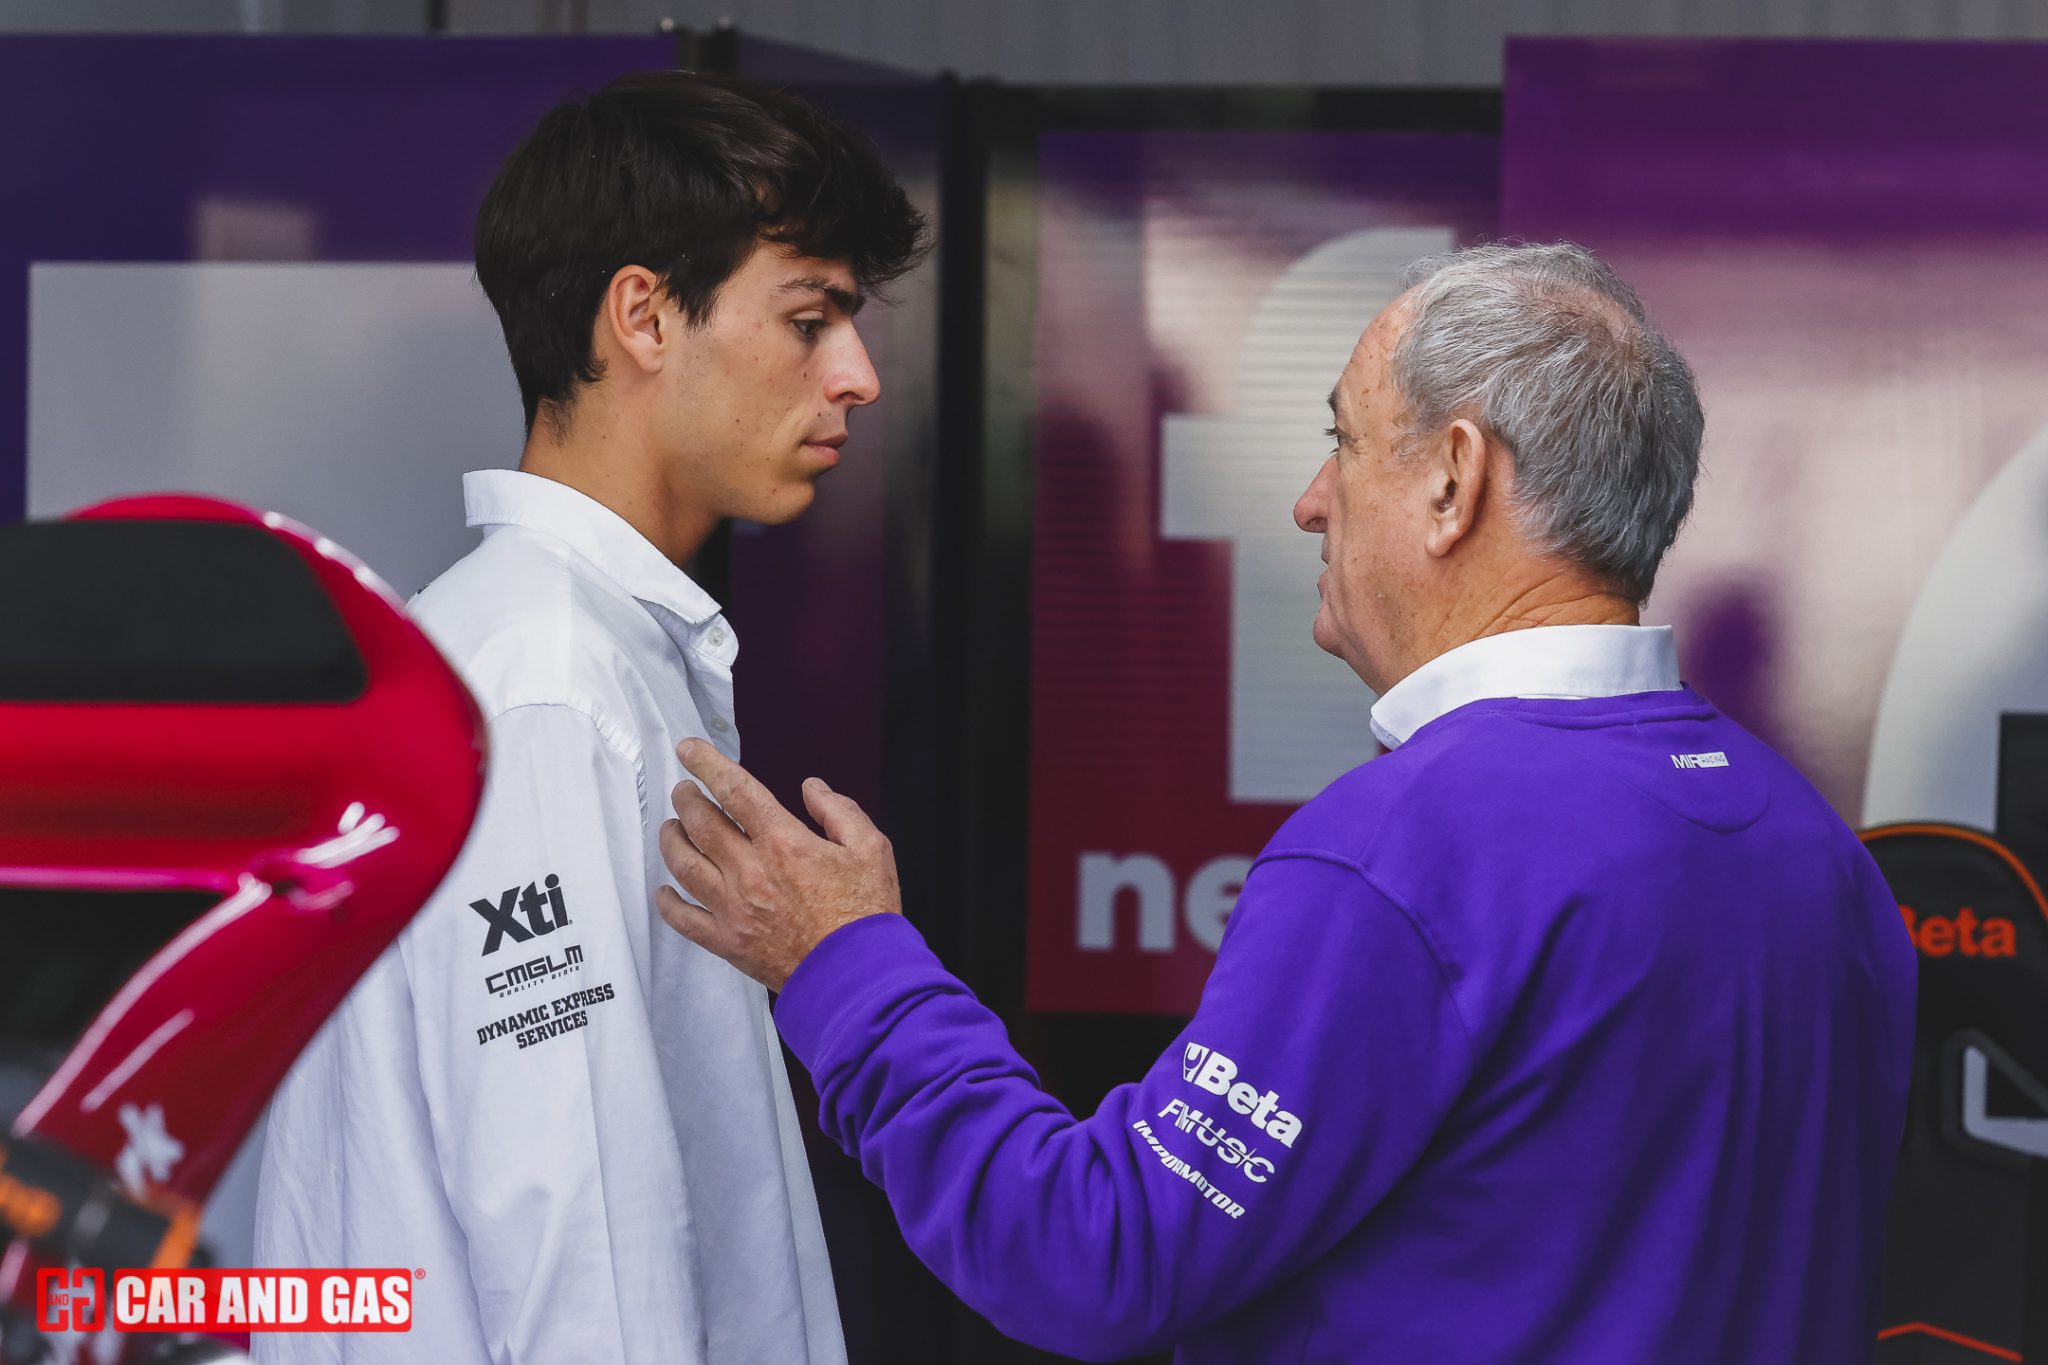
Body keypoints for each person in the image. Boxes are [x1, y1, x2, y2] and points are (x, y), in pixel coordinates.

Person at [653, 243, 1919, 1363]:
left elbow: (1092, 1254)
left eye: (1344, 441)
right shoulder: (1808, 844)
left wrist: (847, 968)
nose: (1311, 499)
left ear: (1452, 482)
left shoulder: (1409, 849)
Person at [255, 71, 927, 1364]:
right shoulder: (543, 686)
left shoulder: (558, 648)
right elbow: (576, 1248)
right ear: (644, 317)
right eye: (810, 318)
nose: (856, 376)